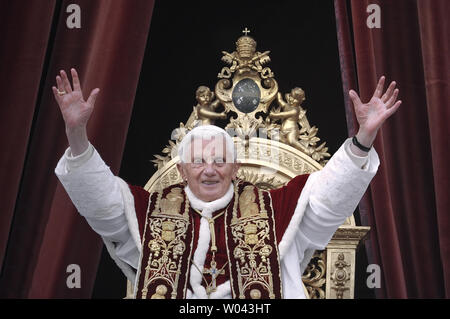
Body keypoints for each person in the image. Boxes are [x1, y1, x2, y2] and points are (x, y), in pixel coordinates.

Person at [53, 68, 401, 299]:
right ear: (183, 168)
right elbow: (102, 203)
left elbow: (329, 197)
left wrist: (363, 139)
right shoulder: (151, 214)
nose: (209, 170)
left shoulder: (277, 211)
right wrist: (76, 134)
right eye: (199, 162)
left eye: (219, 161)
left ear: (234, 167)